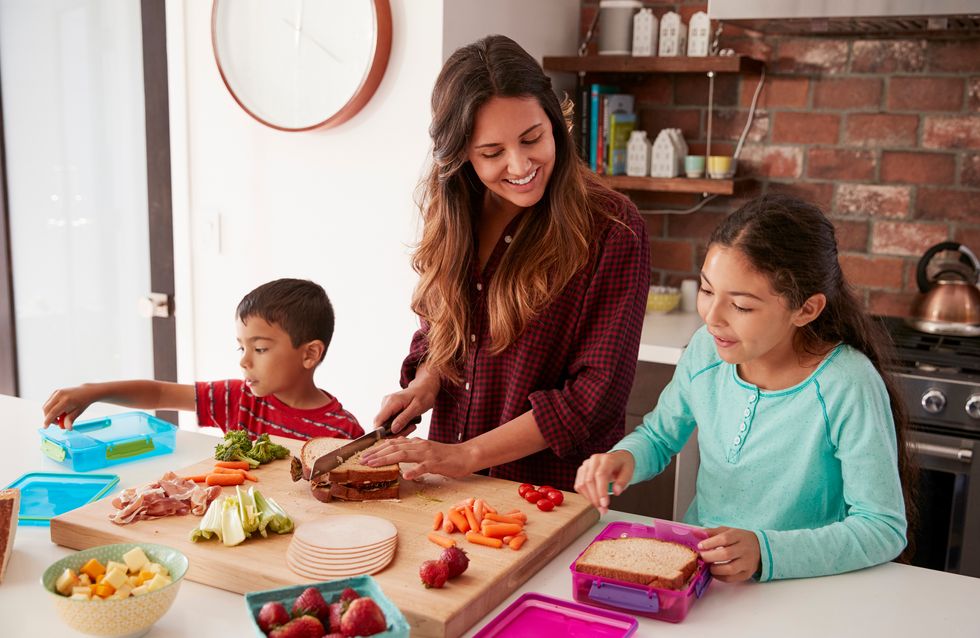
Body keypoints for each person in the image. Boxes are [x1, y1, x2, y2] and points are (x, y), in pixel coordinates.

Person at [574, 194, 916, 583]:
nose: (712, 317)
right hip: (704, 578)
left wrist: (766, 552)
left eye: (741, 306)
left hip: (806, 588)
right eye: (706, 290)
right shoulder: (706, 350)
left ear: (806, 309)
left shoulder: (846, 385)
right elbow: (658, 435)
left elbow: (882, 528)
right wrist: (625, 458)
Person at [360, 35, 649, 492]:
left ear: (554, 122)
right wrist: (425, 383)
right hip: (449, 488)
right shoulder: (454, 213)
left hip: (548, 496)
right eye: (492, 153)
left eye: (532, 138)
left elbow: (594, 397)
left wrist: (466, 454)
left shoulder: (612, 228)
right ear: (461, 156)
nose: (520, 165)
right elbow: (440, 330)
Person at [41, 278, 363, 441]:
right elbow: (160, 394)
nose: (244, 361)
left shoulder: (341, 433)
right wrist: (92, 391)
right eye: (241, 348)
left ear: (309, 354)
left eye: (260, 349)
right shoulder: (238, 399)